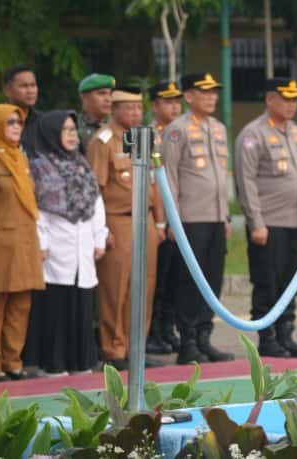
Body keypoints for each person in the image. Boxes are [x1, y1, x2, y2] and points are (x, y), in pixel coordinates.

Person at [234, 78, 297, 359]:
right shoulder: (253, 134)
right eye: (286, 99)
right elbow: (246, 181)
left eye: (295, 100)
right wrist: (255, 222)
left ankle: (286, 335)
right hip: (270, 224)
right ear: (270, 100)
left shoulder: (296, 132)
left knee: (292, 280)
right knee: (267, 281)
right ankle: (267, 337)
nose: (292, 105)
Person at [23, 111, 107, 376]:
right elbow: (37, 211)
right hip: (54, 249)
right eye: (65, 130)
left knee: (81, 307)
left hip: (83, 248)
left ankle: (81, 363)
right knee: (56, 309)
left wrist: (99, 237)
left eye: (74, 130)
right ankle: (53, 364)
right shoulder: (38, 166)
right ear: (50, 134)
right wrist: (41, 242)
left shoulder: (81, 163)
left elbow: (96, 202)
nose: (72, 135)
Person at [86, 88, 164, 370]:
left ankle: (137, 348)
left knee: (145, 286)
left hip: (145, 221)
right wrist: (100, 228)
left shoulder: (144, 138)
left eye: (138, 108)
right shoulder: (103, 140)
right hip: (116, 221)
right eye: (128, 108)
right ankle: (113, 349)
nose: (135, 114)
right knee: (115, 289)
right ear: (115, 110)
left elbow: (155, 182)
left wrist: (160, 221)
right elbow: (95, 188)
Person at [159, 73, 234, 363]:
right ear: (188, 97)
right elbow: (170, 176)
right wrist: (171, 220)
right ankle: (187, 340)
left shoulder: (218, 128)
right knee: (190, 280)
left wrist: (225, 216)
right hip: (189, 218)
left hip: (215, 217)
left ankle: (205, 336)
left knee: (213, 278)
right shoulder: (176, 130)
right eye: (204, 93)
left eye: (214, 92)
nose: (211, 97)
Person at [0, 105, 44, 382]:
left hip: (24, 241)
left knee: (21, 306)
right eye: (10, 122)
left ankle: (13, 362)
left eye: (19, 122)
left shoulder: (19, 158)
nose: (16, 127)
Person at [146, 81, 183, 355]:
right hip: (159, 217)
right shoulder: (150, 136)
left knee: (174, 279)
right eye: (167, 101)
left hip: (180, 215)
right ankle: (153, 332)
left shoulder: (181, 133)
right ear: (155, 106)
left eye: (176, 101)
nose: (174, 106)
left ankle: (168, 328)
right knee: (156, 280)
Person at [2, 66, 41, 157]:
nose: (30, 91)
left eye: (33, 85)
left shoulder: (44, 122)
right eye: (24, 86)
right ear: (7, 90)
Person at [77, 73, 116, 148]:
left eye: (110, 94)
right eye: (102, 93)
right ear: (84, 98)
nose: (108, 99)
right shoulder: (73, 127)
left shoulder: (118, 126)